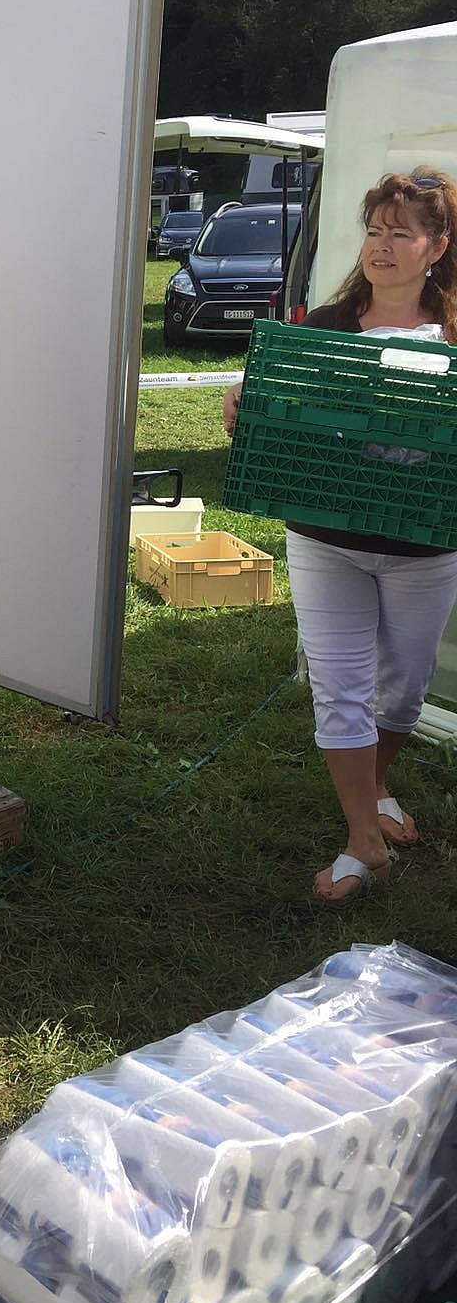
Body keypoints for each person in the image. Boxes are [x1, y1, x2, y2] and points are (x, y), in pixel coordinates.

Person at [224, 168, 457, 904]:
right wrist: (246, 402)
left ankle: (376, 783)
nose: (381, 246)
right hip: (325, 538)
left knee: (403, 690)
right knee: (340, 690)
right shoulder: (324, 329)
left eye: (401, 233)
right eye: (374, 230)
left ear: (437, 248)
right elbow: (279, 413)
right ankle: (363, 839)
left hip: (425, 547)